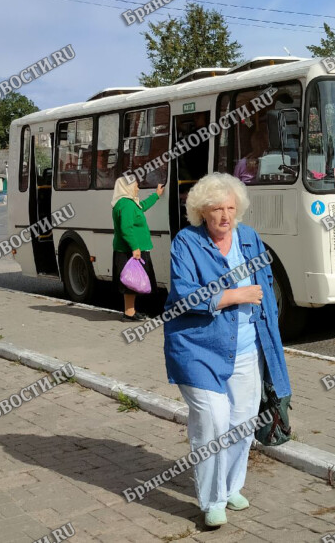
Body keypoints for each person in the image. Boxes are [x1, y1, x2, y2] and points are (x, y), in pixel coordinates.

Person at [164, 173, 292, 530]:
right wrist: (236, 295)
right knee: (212, 421)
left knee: (243, 421)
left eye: (231, 208)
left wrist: (273, 344)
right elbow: (184, 296)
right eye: (217, 209)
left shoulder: (249, 237)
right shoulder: (186, 243)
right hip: (198, 348)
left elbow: (265, 287)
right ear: (202, 212)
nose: (225, 216)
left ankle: (231, 487)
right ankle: (211, 500)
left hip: (248, 346)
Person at [111, 175, 162, 321]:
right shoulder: (126, 204)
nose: (138, 188)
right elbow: (126, 228)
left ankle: (130, 312)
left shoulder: (128, 203)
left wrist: (156, 195)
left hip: (130, 249)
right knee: (131, 282)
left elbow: (142, 206)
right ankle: (129, 313)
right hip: (129, 251)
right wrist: (135, 248)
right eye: (136, 186)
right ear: (127, 187)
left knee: (131, 283)